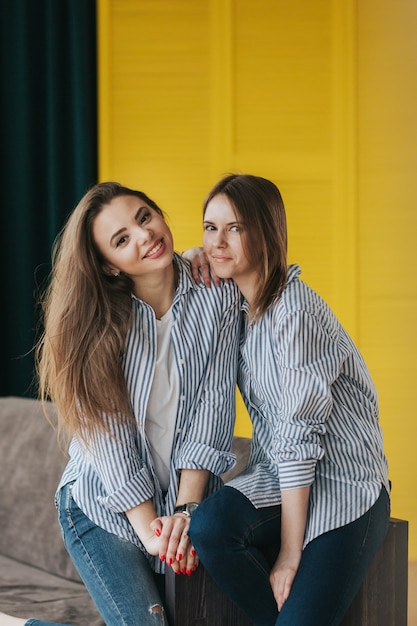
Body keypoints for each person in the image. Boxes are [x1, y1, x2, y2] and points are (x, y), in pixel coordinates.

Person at [0, 181, 240, 626]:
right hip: (103, 503)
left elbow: (212, 407)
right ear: (109, 267)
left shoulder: (218, 294)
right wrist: (152, 531)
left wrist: (186, 512)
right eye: (122, 239)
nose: (144, 236)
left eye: (144, 217)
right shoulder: (96, 329)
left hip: (182, 504)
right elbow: (110, 441)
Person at [187, 173, 390, 626]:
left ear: (267, 233)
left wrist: (289, 555)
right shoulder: (238, 307)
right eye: (209, 227)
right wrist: (190, 257)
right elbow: (180, 303)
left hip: (342, 486)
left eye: (235, 228)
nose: (218, 241)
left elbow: (300, 433)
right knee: (208, 527)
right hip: (281, 479)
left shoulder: (293, 310)